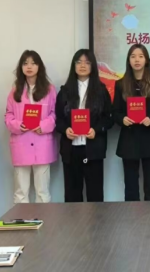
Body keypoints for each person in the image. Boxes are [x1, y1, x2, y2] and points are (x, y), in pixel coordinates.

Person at [55, 49, 113, 202]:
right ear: (73, 65)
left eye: (87, 62)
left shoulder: (101, 91)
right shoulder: (64, 91)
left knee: (95, 195)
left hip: (93, 149)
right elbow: (58, 119)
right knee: (72, 196)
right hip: (71, 150)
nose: (82, 65)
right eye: (79, 62)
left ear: (92, 66)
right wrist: (65, 130)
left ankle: (97, 220)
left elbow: (108, 118)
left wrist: (96, 130)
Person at [112, 44, 150, 201]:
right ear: (128, 61)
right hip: (129, 140)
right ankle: (132, 215)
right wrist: (122, 119)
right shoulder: (120, 84)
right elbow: (115, 112)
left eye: (141, 56)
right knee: (130, 185)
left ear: (146, 60)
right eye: (133, 56)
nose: (137, 60)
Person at [4, 50, 58, 203]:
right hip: (21, 143)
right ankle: (22, 219)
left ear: (39, 66)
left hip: (42, 144)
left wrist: (44, 125)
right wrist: (18, 125)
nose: (29, 67)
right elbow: (8, 115)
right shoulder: (15, 90)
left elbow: (55, 113)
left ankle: (43, 218)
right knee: (20, 192)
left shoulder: (49, 89)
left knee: (42, 192)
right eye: (25, 63)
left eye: (33, 63)